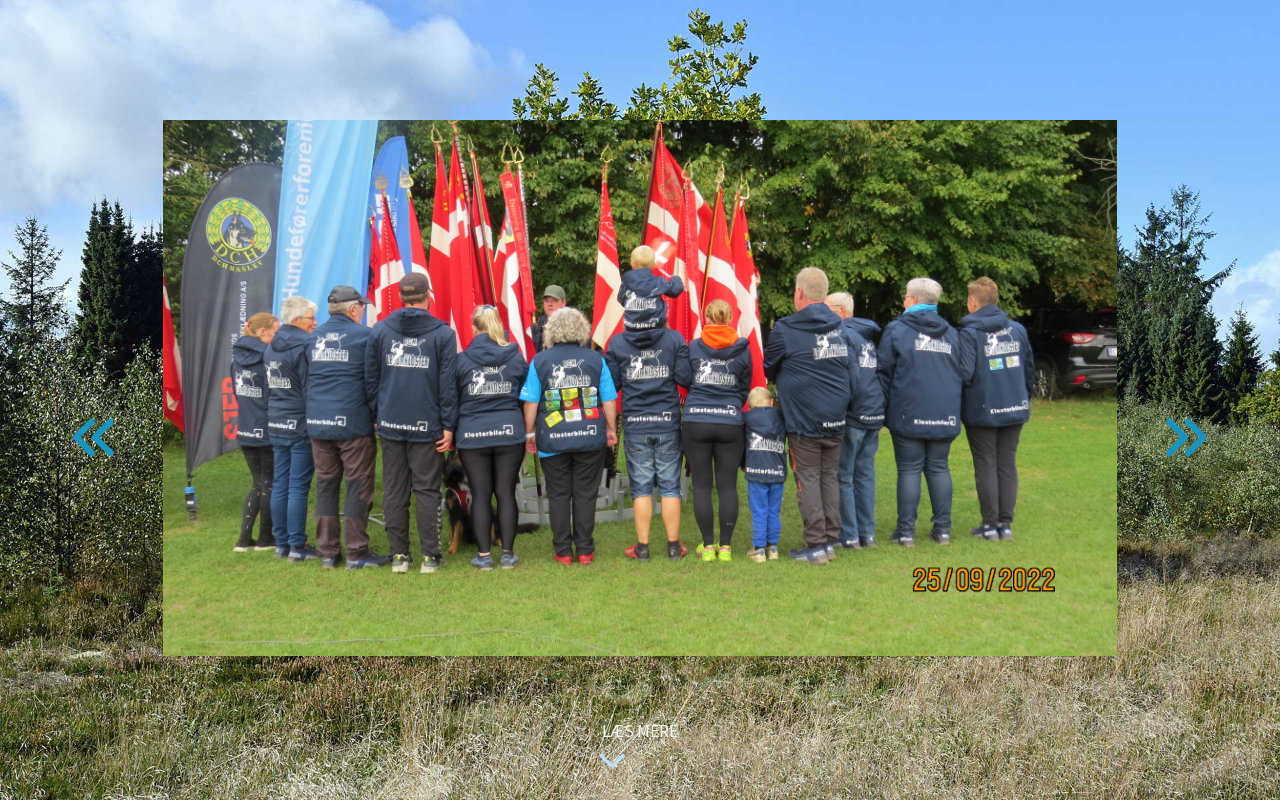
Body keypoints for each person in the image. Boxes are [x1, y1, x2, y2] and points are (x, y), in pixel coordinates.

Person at [365, 273, 458, 574]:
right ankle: (430, 557)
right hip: (427, 424)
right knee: (427, 490)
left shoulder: (380, 330)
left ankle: (399, 557)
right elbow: (448, 384)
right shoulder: (443, 334)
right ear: (428, 295)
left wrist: (376, 415)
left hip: (391, 421)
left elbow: (370, 378)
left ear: (401, 296)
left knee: (394, 489)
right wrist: (448, 424)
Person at [764, 267, 855, 565]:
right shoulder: (841, 326)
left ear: (799, 292)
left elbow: (769, 367)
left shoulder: (785, 329)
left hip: (804, 419)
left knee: (809, 479)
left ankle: (816, 544)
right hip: (836, 415)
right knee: (829, 477)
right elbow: (851, 369)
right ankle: (829, 539)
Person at [876, 277, 974, 547]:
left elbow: (883, 374)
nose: (903, 300)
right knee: (939, 468)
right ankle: (942, 531)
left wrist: (882, 411)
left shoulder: (896, 330)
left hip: (908, 412)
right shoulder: (952, 333)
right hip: (945, 411)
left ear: (914, 300)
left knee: (909, 470)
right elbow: (964, 372)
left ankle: (906, 533)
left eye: (905, 296)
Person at [520, 307, 618, 564]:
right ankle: (585, 549)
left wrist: (529, 433)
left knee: (558, 494)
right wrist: (610, 429)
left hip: (552, 438)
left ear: (551, 331)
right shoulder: (596, 359)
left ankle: (563, 550)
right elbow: (609, 400)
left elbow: (531, 403)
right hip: (590, 436)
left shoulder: (539, 361)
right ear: (582, 330)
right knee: (585, 494)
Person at [604, 293, 692, 562]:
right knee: (670, 486)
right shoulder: (674, 338)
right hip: (667, 421)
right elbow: (685, 377)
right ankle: (674, 546)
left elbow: (612, 384)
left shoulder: (617, 342)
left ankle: (642, 548)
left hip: (636, 423)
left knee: (641, 487)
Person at [306, 286, 388, 569]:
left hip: (318, 422)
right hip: (352, 423)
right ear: (353, 309)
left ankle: (328, 553)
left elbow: (306, 380)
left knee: (326, 485)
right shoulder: (365, 336)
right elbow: (373, 381)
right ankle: (357, 552)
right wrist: (376, 414)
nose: (363, 310)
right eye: (362, 306)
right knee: (357, 485)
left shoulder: (312, 337)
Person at [957, 277, 1034, 542]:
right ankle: (1005, 525)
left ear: (972, 302)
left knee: (986, 464)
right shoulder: (1018, 330)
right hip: (1015, 405)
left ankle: (990, 525)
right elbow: (1028, 368)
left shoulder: (969, 333)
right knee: (1007, 464)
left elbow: (965, 374)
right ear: (996, 301)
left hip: (982, 408)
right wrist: (1023, 396)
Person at [454, 304, 529, 569]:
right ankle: (507, 554)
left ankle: (484, 556)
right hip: (509, 432)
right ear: (498, 324)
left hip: (472, 434)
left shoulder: (461, 360)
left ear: (473, 328)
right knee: (506, 492)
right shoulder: (515, 357)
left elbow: (452, 399)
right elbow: (526, 395)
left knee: (480, 493)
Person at [682, 298, 753, 562]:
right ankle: (725, 548)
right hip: (730, 421)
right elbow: (744, 386)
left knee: (701, 486)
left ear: (707, 319)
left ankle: (708, 546)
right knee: (727, 486)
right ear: (730, 319)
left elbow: (685, 379)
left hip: (696, 420)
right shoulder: (742, 349)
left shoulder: (694, 346)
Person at [264, 296, 322, 563]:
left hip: (277, 421)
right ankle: (298, 546)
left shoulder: (270, 347)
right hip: (300, 423)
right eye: (312, 318)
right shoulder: (305, 346)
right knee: (297, 486)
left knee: (280, 484)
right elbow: (310, 388)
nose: (315, 323)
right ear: (297, 320)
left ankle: (282, 545)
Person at [826, 292, 886, 549]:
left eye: (827, 308)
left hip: (855, 414)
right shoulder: (866, 337)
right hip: (874, 411)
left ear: (840, 311)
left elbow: (851, 379)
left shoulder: (843, 335)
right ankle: (867, 535)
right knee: (865, 475)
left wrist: (841, 408)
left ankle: (849, 536)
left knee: (844, 476)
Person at [230, 312, 279, 553]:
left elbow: (237, 392)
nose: (277, 337)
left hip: (246, 427)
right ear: (262, 332)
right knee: (269, 483)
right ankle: (265, 538)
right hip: (266, 428)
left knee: (258, 483)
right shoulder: (267, 358)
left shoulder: (236, 360)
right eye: (275, 332)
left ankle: (243, 540)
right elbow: (273, 395)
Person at [743, 386, 787, 563]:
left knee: (759, 510)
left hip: (756, 472)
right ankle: (773, 548)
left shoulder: (747, 418)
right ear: (771, 401)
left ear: (750, 405)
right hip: (777, 470)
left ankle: (759, 549)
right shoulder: (781, 416)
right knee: (774, 510)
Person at [616, 245, 683, 331]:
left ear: (633, 265)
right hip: (656, 327)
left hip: (632, 327)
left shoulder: (626, 283)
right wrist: (675, 278)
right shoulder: (659, 281)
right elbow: (676, 289)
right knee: (672, 336)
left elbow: (621, 300)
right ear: (653, 265)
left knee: (624, 330)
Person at [529, 285, 567, 352]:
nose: (550, 304)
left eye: (554, 301)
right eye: (546, 300)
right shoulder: (536, 330)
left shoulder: (574, 329)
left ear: (563, 302)